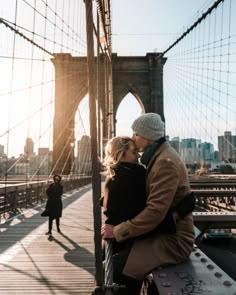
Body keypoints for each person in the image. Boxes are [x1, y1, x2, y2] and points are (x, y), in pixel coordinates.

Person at [102, 133, 195, 294]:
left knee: (119, 273)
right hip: (125, 240)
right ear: (120, 154)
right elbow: (147, 216)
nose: (138, 155)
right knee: (122, 273)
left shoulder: (121, 177)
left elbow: (140, 212)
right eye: (133, 151)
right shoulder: (131, 179)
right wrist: (180, 211)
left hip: (124, 241)